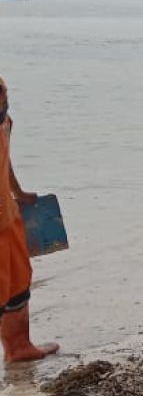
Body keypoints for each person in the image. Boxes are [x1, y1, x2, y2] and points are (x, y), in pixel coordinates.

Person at [0, 77, 60, 364]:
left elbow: (5, 156)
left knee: (19, 281)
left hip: (8, 215)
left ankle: (19, 348)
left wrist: (17, 190)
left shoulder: (5, 119)